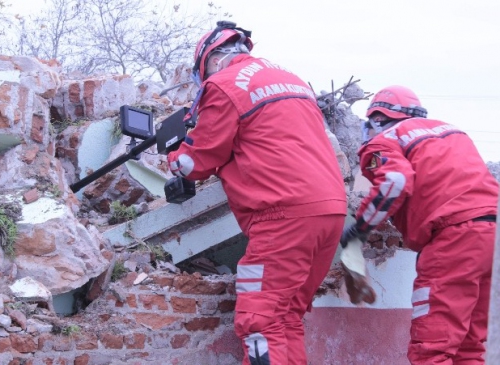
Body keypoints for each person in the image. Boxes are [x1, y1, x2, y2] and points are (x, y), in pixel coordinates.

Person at [167, 21, 347, 365]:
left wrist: (174, 160)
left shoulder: (222, 84)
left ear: (210, 60)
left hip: (282, 215)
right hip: (329, 211)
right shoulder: (291, 80)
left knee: (260, 320)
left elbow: (197, 161)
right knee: (287, 316)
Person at [340, 85, 498, 364]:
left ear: (378, 118)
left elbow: (395, 181)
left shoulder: (386, 137)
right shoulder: (450, 132)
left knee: (432, 347)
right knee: (470, 346)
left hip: (453, 238)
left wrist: (359, 229)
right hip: (491, 236)